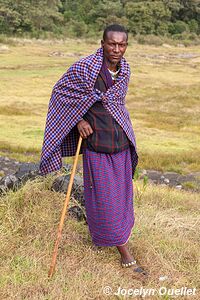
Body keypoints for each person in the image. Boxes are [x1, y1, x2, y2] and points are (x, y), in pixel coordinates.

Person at [40, 24, 145, 275]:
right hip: (96, 145)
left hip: (120, 142)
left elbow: (116, 104)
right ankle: (124, 251)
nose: (117, 49)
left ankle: (105, 236)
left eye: (122, 44)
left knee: (120, 198)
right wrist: (78, 120)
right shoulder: (85, 68)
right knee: (104, 199)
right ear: (102, 43)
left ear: (126, 46)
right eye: (112, 44)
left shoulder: (125, 69)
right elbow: (61, 94)